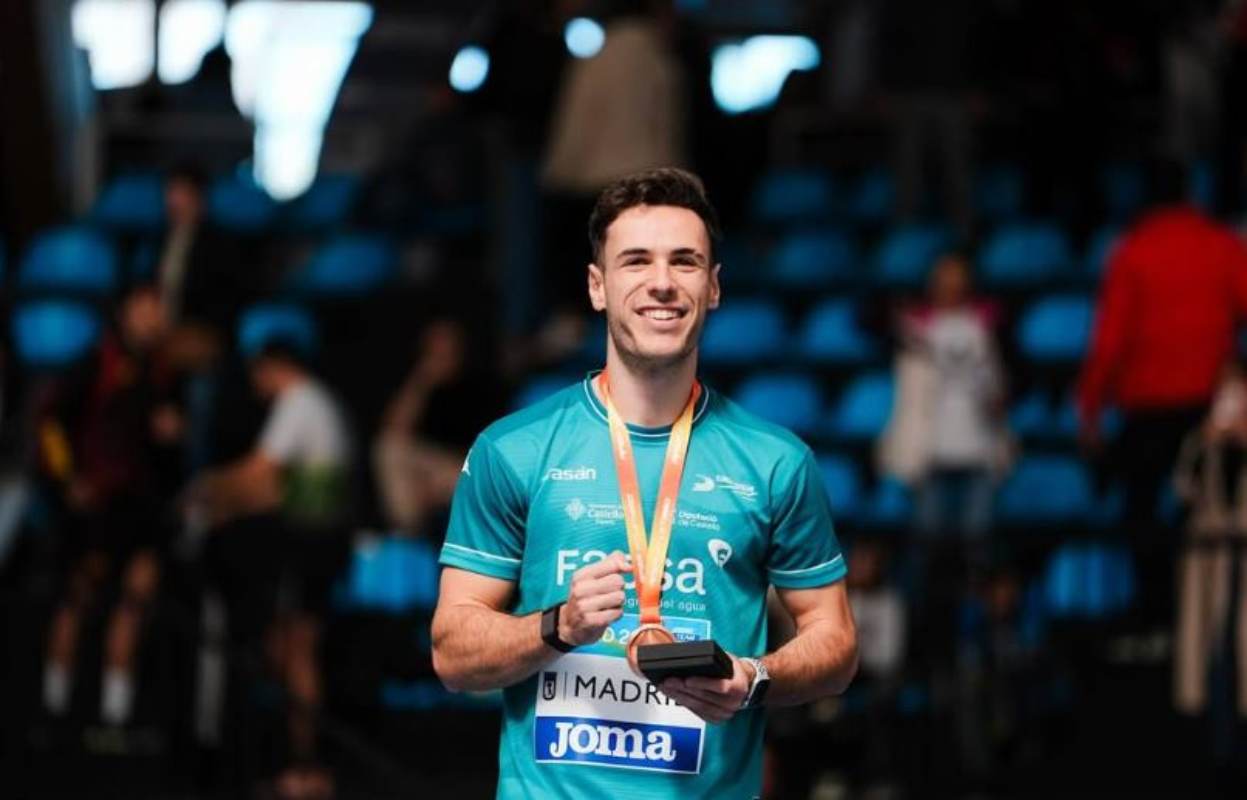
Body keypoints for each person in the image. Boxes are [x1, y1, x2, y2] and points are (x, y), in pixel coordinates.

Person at [431, 167, 858, 798]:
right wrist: (557, 626)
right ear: (597, 286)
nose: (662, 282)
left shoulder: (775, 462)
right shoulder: (513, 450)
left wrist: (755, 680)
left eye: (685, 262)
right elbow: (451, 653)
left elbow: (837, 642)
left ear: (712, 288)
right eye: (636, 261)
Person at [1078, 157, 1247, 624]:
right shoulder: (1221, 244)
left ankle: (1158, 617)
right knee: (1211, 517)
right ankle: (1209, 617)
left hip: (1148, 414)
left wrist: (1090, 412)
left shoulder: (1132, 251)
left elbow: (1109, 342)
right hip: (1206, 411)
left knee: (1144, 519)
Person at [186, 339, 352, 798]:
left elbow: (260, 472)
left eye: (259, 374)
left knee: (297, 649)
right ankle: (293, 761)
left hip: (312, 543)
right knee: (287, 646)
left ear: (276, 367)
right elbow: (274, 489)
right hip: (318, 540)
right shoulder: (319, 401)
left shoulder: (300, 401)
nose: (257, 386)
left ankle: (305, 768)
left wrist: (205, 487)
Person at [39, 286, 184, 725]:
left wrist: (173, 433)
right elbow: (50, 425)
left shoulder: (165, 372)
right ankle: (53, 707)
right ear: (125, 313)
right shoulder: (96, 361)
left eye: (158, 309)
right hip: (95, 508)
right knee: (76, 603)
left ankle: (116, 718)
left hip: (144, 508)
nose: (153, 317)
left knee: (135, 603)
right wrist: (68, 481)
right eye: (145, 308)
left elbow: (166, 442)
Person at [373, 318, 503, 538]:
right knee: (389, 450)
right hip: (424, 473)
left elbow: (488, 451)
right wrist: (422, 381)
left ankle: (410, 536)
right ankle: (408, 537)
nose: (442, 358)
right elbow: (394, 432)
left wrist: (437, 484)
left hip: (471, 470)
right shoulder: (419, 388)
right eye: (434, 352)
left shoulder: (480, 388)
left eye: (448, 351)